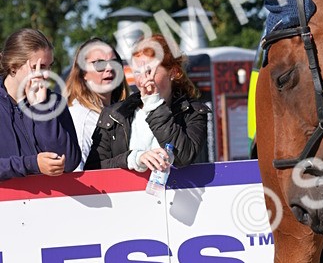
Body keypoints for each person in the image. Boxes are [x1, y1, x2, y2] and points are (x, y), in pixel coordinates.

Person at [85, 34, 208, 171]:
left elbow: (183, 157)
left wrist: (154, 105)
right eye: (137, 72)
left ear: (173, 72)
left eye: (149, 71)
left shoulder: (192, 112)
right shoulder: (114, 114)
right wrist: (133, 158)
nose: (142, 79)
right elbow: (93, 168)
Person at [0, 27, 80, 179]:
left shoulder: (54, 102)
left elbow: (69, 162)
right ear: (13, 65)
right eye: (39, 67)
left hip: (50, 201)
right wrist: (31, 164)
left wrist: (41, 109)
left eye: (49, 67)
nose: (46, 74)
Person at [65, 37, 129, 169]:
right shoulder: (82, 116)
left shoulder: (123, 111)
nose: (109, 68)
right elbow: (76, 172)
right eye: (99, 63)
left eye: (114, 62)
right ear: (83, 73)